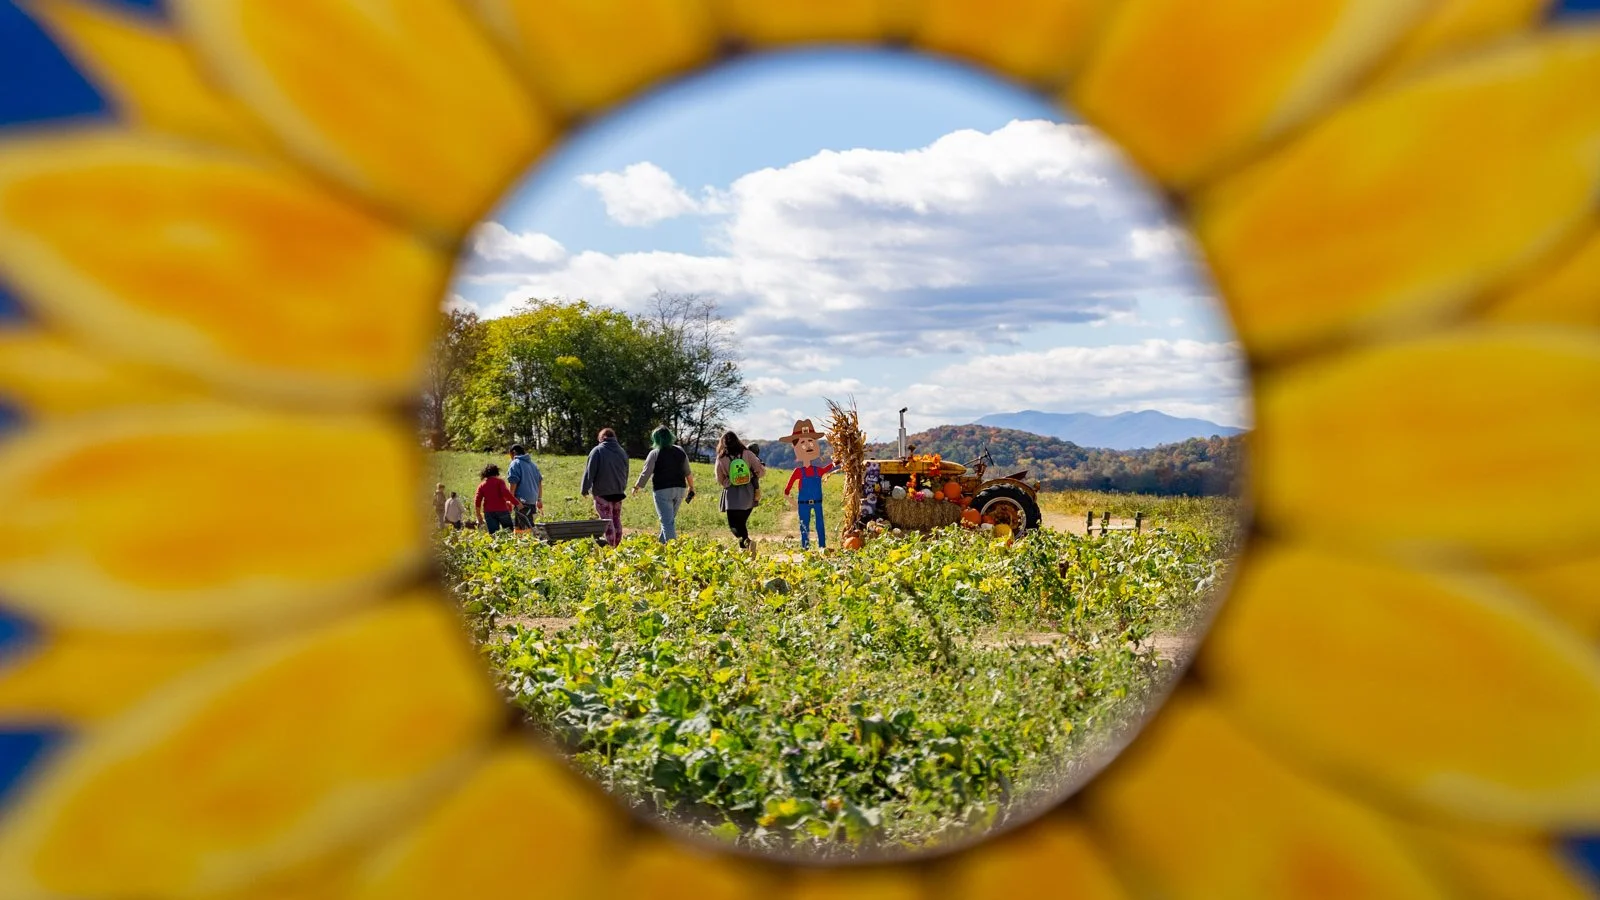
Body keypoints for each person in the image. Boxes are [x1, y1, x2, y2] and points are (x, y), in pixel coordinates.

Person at [632, 426, 695, 542]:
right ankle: (662, 546)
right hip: (680, 489)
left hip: (662, 490)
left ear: (656, 439)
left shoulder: (655, 453)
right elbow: (688, 471)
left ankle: (673, 550)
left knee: (667, 522)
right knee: (669, 521)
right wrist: (691, 487)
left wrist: (636, 486)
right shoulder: (680, 450)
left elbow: (646, 473)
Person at [780, 419, 836, 550]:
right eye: (802, 443)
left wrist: (839, 460)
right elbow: (786, 491)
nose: (808, 445)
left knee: (820, 525)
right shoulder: (798, 472)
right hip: (803, 504)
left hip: (817, 502)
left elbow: (829, 467)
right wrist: (794, 504)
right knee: (804, 526)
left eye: (811, 441)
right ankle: (806, 548)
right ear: (795, 448)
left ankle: (822, 547)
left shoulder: (818, 470)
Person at [715, 430, 765, 551]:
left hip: (731, 493)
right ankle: (745, 549)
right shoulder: (747, 453)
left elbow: (719, 478)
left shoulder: (721, 457)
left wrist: (727, 482)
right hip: (749, 491)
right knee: (741, 523)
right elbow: (760, 470)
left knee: (734, 524)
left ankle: (746, 544)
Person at [580, 427, 630, 547]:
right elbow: (626, 472)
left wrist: (584, 489)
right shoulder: (622, 452)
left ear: (601, 438)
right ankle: (617, 544)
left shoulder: (598, 451)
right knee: (616, 519)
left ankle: (610, 546)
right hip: (618, 492)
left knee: (606, 521)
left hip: (602, 492)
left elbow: (589, 471)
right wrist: (622, 486)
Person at [505, 444, 544, 529]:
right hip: (532, 501)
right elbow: (539, 482)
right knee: (527, 526)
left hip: (521, 502)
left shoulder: (515, 463)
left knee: (522, 529)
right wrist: (539, 499)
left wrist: (510, 499)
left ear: (513, 453)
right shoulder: (533, 465)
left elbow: (513, 482)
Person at [474, 464, 518, 535]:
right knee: (509, 532)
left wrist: (478, 515)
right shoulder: (500, 482)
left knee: (494, 534)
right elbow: (506, 493)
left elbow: (477, 501)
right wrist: (517, 503)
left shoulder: (482, 485)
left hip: (489, 512)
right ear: (496, 472)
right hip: (502, 510)